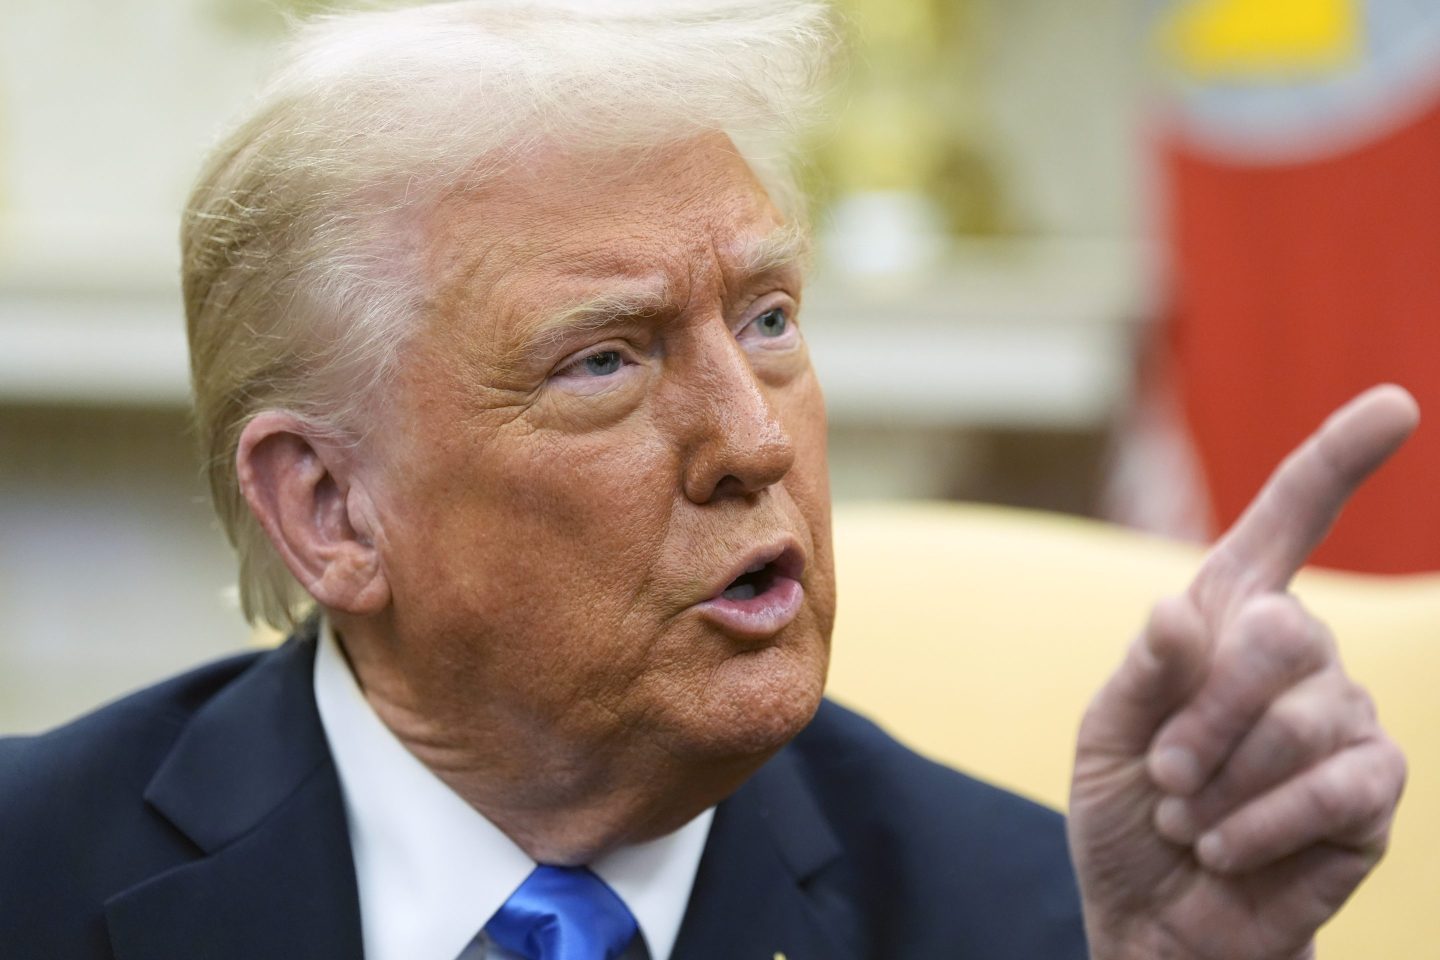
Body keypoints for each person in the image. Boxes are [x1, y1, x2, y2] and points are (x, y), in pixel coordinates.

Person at [0, 3, 1414, 958]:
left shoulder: (1048, 919)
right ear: (329, 508)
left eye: (769, 318)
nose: (754, 439)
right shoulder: (34, 875)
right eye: (604, 360)